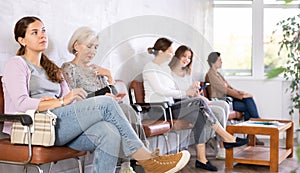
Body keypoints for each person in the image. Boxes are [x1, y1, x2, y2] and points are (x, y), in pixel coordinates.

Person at [2, 16, 191, 173]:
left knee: (108, 132)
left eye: (43, 30)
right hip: (34, 128)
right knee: (105, 104)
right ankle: (147, 160)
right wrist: (59, 102)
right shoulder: (17, 64)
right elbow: (21, 103)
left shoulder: (52, 68)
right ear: (22, 40)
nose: (42, 35)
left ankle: (145, 160)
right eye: (34, 32)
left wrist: (69, 100)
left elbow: (70, 103)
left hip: (59, 124)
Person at [143, 37, 249, 172]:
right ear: (161, 52)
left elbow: (172, 90)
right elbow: (160, 90)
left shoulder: (163, 69)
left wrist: (188, 91)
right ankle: (227, 138)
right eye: (170, 52)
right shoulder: (150, 68)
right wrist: (185, 92)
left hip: (170, 106)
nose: (172, 55)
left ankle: (201, 159)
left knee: (200, 114)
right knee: (199, 102)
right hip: (160, 109)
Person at [61, 26, 148, 173]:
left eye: (96, 47)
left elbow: (111, 95)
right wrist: (100, 98)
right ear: (76, 46)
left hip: (107, 112)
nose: (93, 51)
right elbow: (72, 99)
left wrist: (109, 77)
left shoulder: (96, 70)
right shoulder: (69, 68)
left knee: (126, 109)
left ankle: (132, 163)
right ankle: (136, 161)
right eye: (89, 46)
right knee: (125, 109)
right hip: (85, 116)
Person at [168, 45, 230, 160]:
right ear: (177, 56)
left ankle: (221, 144)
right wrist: (191, 93)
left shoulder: (186, 72)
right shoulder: (169, 73)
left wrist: (196, 90)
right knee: (219, 111)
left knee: (224, 105)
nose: (187, 59)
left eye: (189, 57)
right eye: (184, 56)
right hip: (183, 104)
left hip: (193, 100)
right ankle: (222, 144)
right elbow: (175, 93)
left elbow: (191, 92)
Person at [206, 51, 264, 145]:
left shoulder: (218, 74)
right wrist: (241, 96)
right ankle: (256, 123)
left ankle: (253, 129)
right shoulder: (210, 75)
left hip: (228, 100)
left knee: (248, 100)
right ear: (213, 62)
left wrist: (240, 92)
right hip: (221, 102)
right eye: (219, 60)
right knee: (247, 102)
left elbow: (229, 87)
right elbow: (224, 90)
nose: (221, 62)